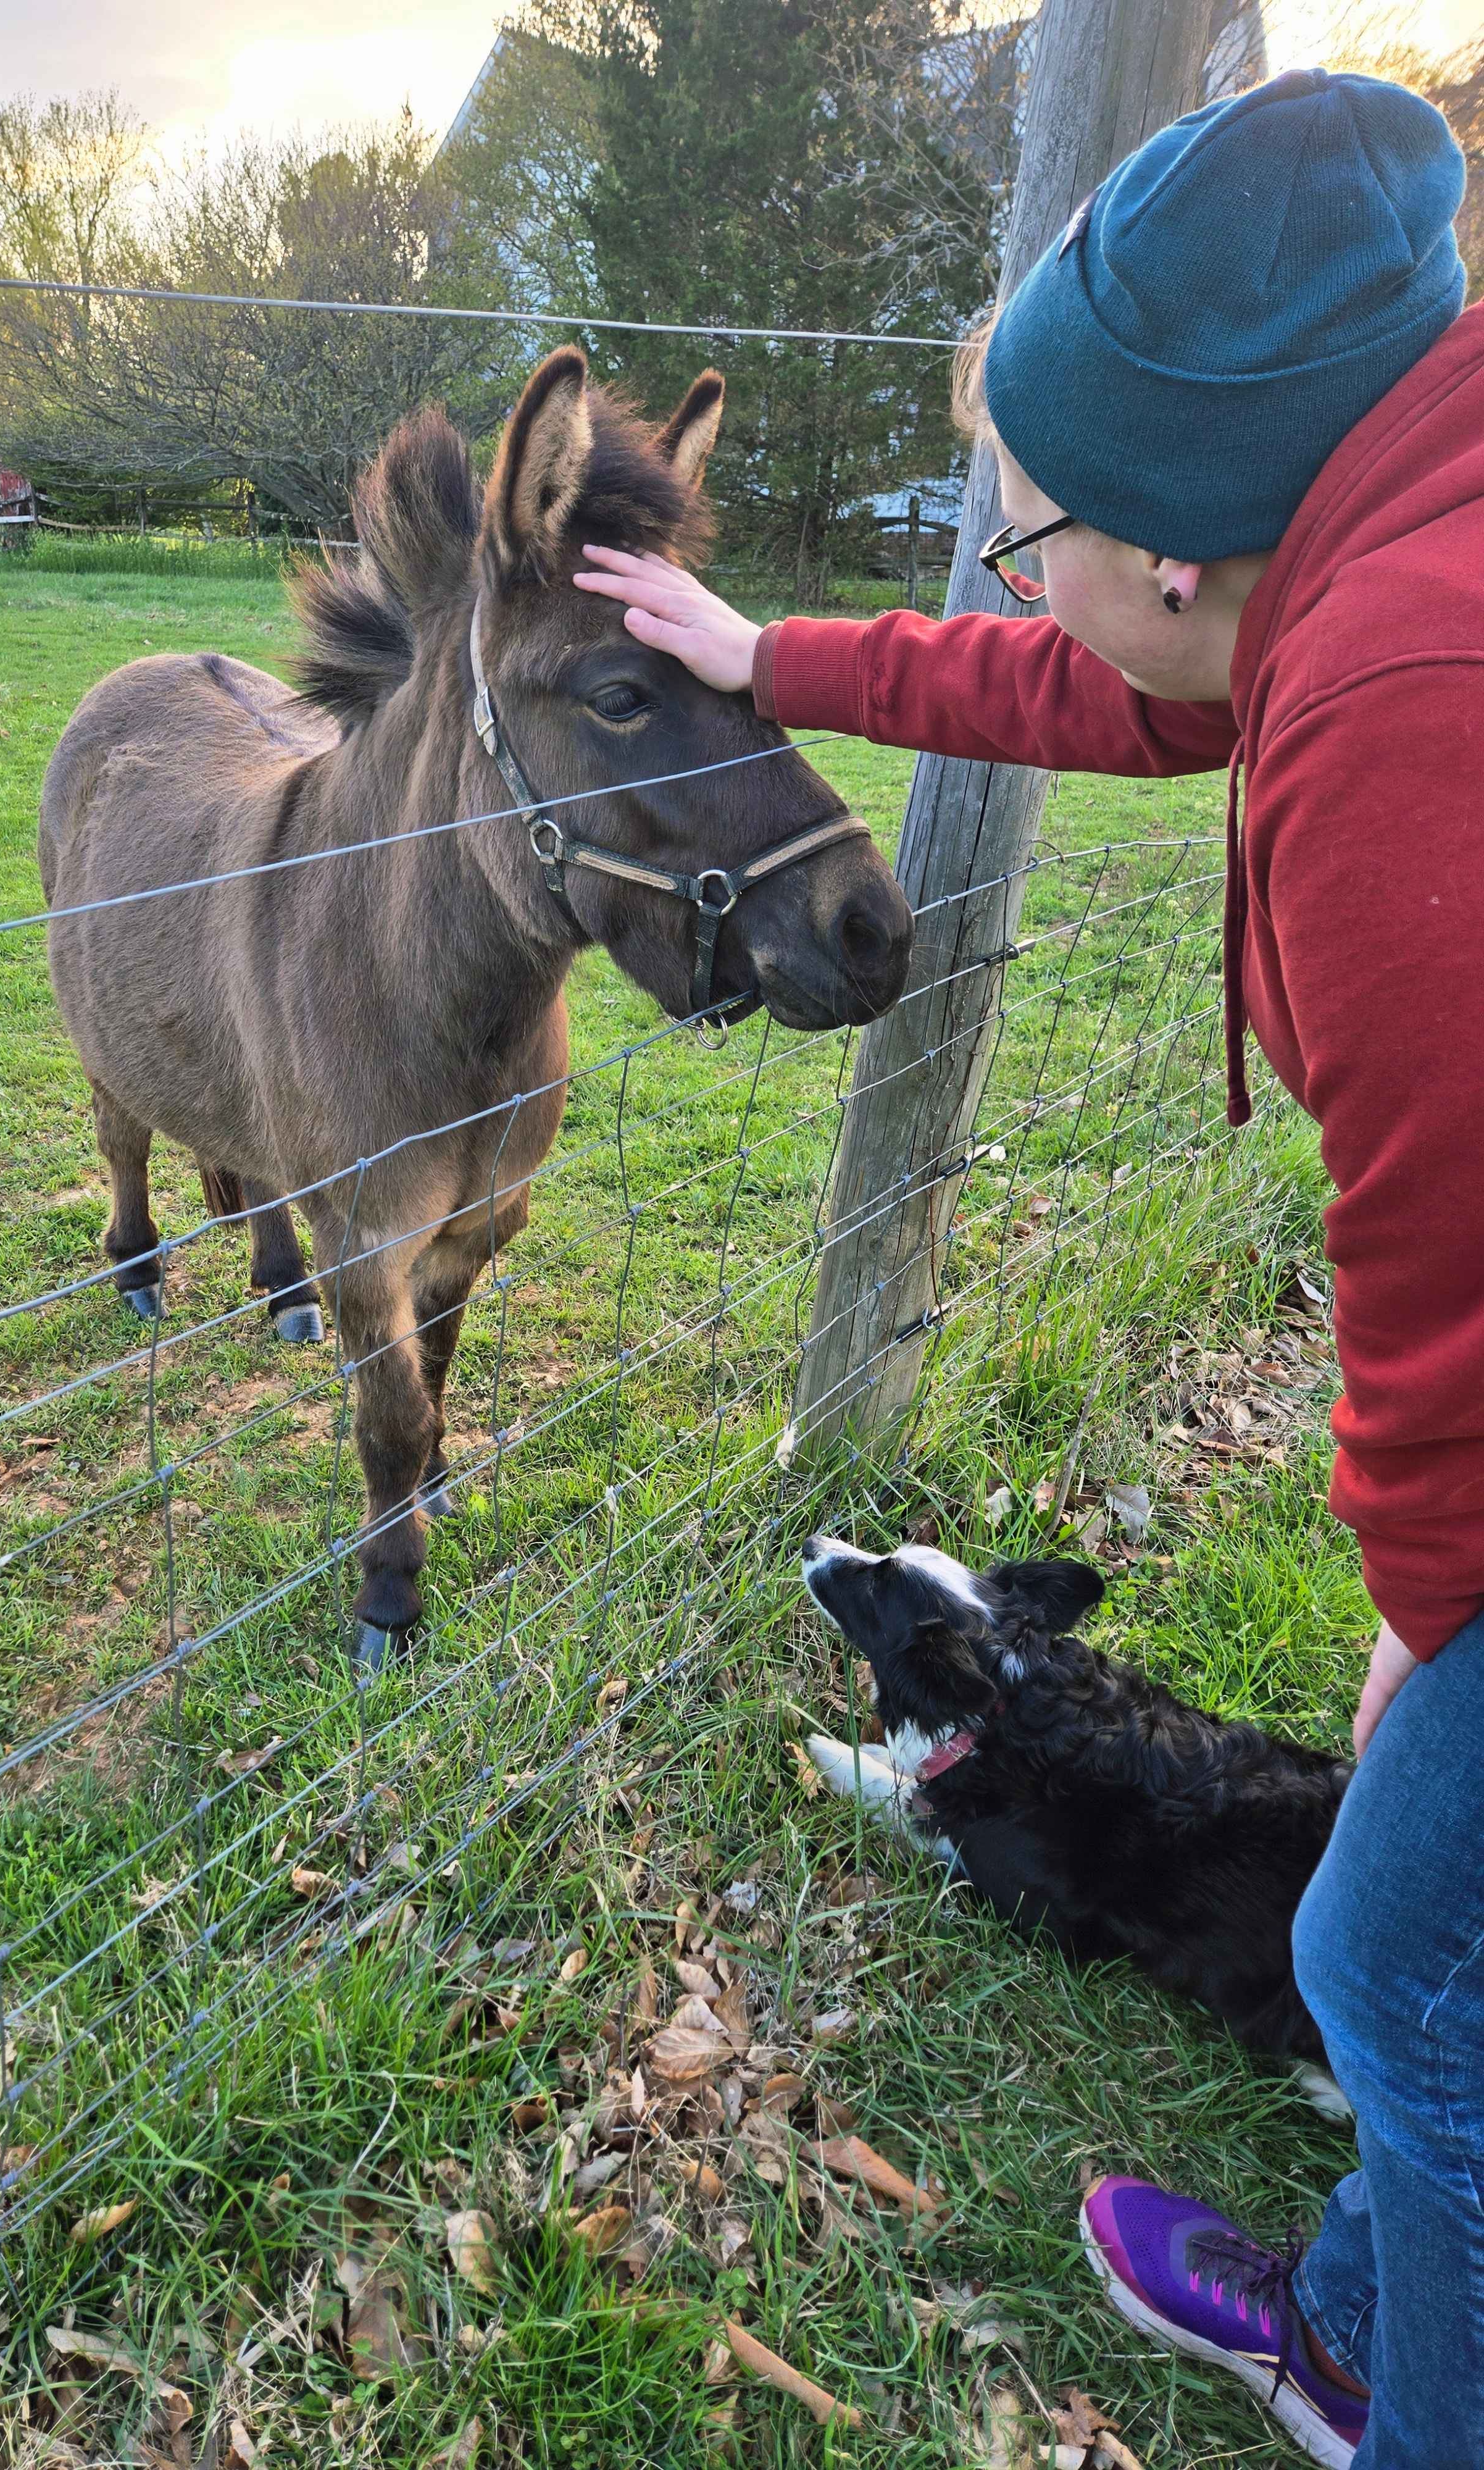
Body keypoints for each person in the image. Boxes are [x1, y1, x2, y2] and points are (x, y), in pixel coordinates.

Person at [574, 65, 1480, 2470]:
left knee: (1402, 1967)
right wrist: (776, 656)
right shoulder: (1371, 549)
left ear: (1183, 535)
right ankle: (1368, 2324)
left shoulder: (1410, 711)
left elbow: (1455, 1256)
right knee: (1411, 1945)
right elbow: (1099, 685)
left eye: (1028, 528)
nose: (1006, 567)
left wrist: (1426, 1610)